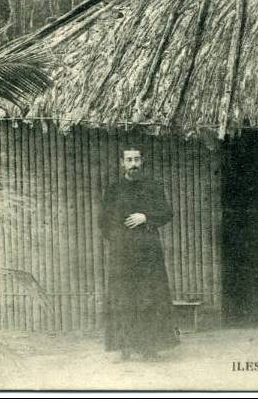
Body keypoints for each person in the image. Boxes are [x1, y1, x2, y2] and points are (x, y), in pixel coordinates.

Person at [101, 145, 178, 361]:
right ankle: (124, 347)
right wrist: (118, 239)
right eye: (129, 160)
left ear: (142, 161)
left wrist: (146, 217)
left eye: (137, 159)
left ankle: (149, 348)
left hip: (148, 253)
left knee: (149, 297)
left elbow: (167, 213)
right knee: (123, 298)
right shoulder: (114, 189)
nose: (133, 164)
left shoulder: (153, 187)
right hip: (122, 254)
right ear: (122, 163)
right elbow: (104, 221)